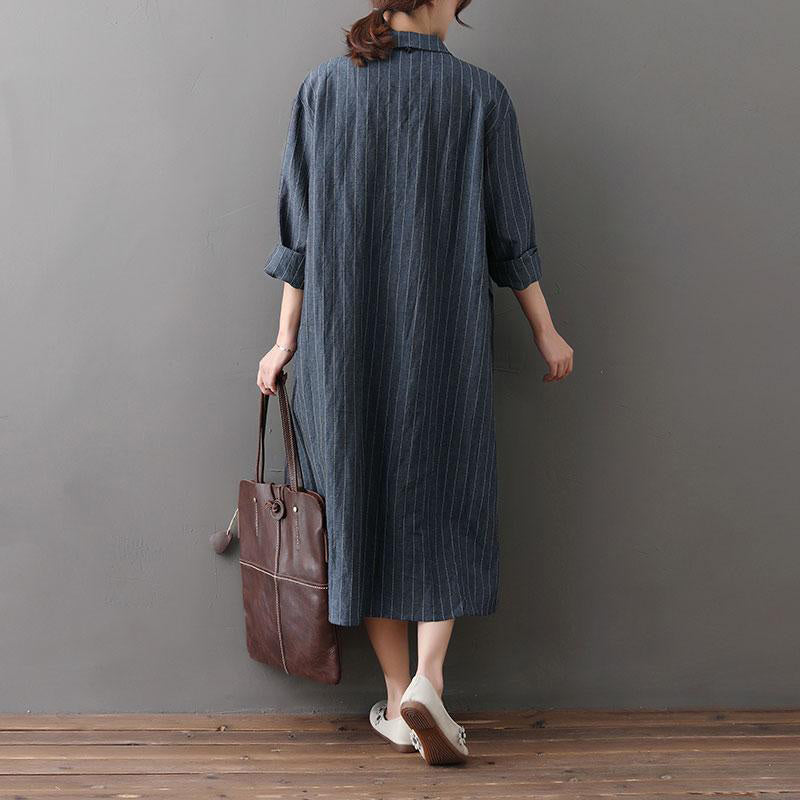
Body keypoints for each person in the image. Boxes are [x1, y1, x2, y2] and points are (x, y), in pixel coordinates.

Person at [257, 0, 573, 766]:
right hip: (446, 342)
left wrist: (284, 340)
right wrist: (545, 328)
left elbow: (300, 235)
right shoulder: (480, 96)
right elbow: (510, 234)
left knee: (357, 500)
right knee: (446, 497)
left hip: (345, 346)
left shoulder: (324, 88)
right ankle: (430, 679)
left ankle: (399, 696)